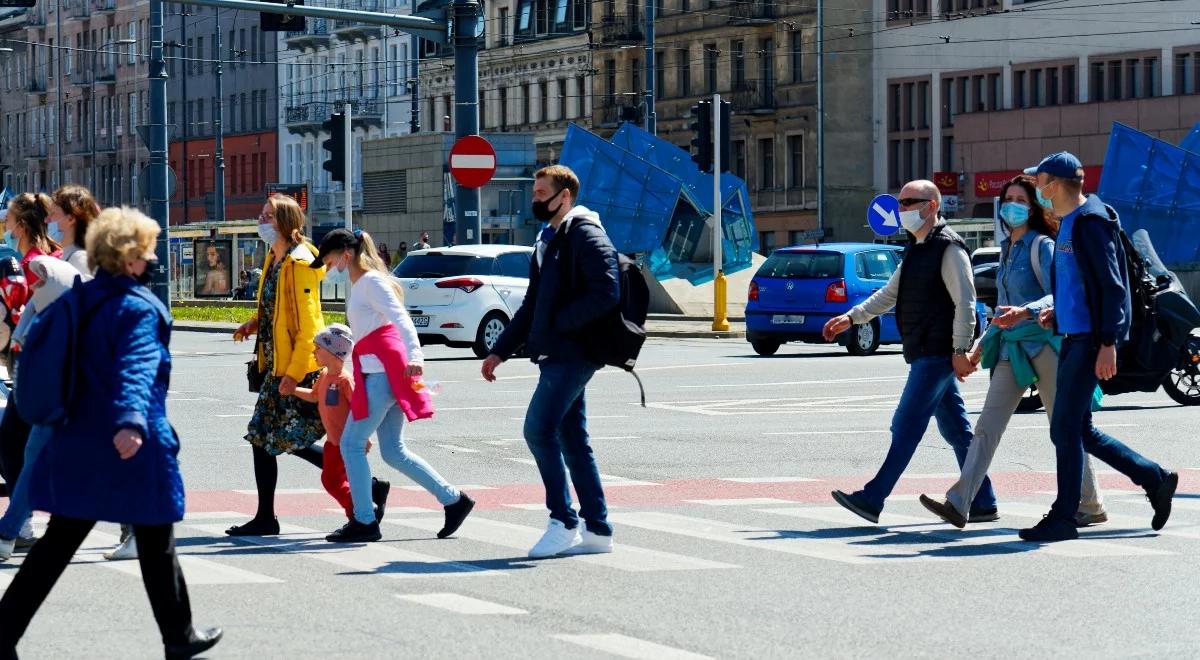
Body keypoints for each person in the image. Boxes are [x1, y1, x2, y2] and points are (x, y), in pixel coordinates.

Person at [0, 206, 222, 659]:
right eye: (148, 250)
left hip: (76, 438)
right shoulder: (138, 308)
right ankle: (179, 637)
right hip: (129, 445)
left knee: (59, 542)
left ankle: (2, 633)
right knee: (156, 537)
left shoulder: (75, 300)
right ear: (130, 257)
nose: (153, 258)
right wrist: (132, 421)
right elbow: (136, 369)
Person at [918, 176, 1108, 528]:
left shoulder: (1042, 246)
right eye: (1009, 199)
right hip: (1011, 349)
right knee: (987, 425)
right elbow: (1002, 309)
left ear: (1034, 206)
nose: (1013, 205)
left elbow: (1060, 296)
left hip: (1048, 348)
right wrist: (977, 350)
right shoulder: (1006, 249)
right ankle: (960, 502)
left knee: (1065, 428)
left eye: (1021, 199)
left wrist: (1028, 310)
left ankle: (1091, 502)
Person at [1017, 152, 1178, 542]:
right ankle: (1153, 478)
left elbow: (1112, 286)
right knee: (1078, 429)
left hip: (1092, 341)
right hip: (1076, 336)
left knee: (1065, 429)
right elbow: (1078, 286)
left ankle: (1064, 515)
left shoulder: (1092, 221)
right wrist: (1059, 315)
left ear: (1054, 184)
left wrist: (1109, 342)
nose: (1035, 188)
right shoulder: (1071, 222)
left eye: (1038, 181)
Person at [823, 179, 998, 524]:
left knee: (906, 425)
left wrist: (961, 349)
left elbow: (966, 302)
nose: (901, 210)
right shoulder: (917, 248)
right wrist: (851, 317)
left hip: (937, 352)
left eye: (908, 202)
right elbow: (890, 294)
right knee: (956, 430)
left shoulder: (949, 249)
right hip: (925, 350)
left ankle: (873, 497)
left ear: (932, 206)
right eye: (900, 203)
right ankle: (982, 500)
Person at [482, 165, 619, 558]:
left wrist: (560, 325)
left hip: (575, 352)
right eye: (534, 193)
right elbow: (531, 305)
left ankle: (563, 520)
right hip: (557, 352)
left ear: (565, 196)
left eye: (542, 194)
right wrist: (499, 350)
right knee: (573, 439)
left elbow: (607, 292)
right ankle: (597, 531)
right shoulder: (550, 238)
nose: (535, 200)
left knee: (538, 430)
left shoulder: (586, 234)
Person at [312, 228, 471, 542]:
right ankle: (454, 500)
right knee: (393, 452)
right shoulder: (360, 283)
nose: (328, 267)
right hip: (380, 374)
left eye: (330, 259)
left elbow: (401, 318)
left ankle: (364, 521)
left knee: (350, 444)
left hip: (383, 375)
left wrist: (416, 356)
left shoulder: (370, 282)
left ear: (346, 254)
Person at [226, 195, 337, 536]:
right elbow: (276, 310)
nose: (262, 220)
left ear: (287, 223)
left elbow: (309, 324)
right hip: (275, 365)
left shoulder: (300, 262)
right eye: (262, 214)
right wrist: (253, 324)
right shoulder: (276, 259)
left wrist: (294, 373)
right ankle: (371, 487)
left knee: (267, 437)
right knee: (282, 438)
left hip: (291, 368)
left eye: (269, 216)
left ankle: (266, 518)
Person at [0, 193, 62, 554]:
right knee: (22, 444)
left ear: (21, 225)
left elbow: (22, 311)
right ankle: (22, 524)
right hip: (36, 362)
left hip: (39, 363)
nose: (6, 227)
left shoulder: (35, 263)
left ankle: (19, 525)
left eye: (8, 220)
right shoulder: (44, 258)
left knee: (14, 444)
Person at [286, 323, 387, 534]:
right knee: (339, 479)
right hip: (333, 442)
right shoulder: (324, 375)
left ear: (333, 352)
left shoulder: (344, 380)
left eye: (318, 348)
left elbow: (360, 408)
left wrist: (364, 436)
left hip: (347, 442)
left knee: (332, 480)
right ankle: (365, 503)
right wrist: (293, 390)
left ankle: (360, 511)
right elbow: (314, 396)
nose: (314, 352)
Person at [47, 184, 99, 275]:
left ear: (70, 219)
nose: (46, 219)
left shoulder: (80, 260)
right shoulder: (68, 254)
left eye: (53, 213)